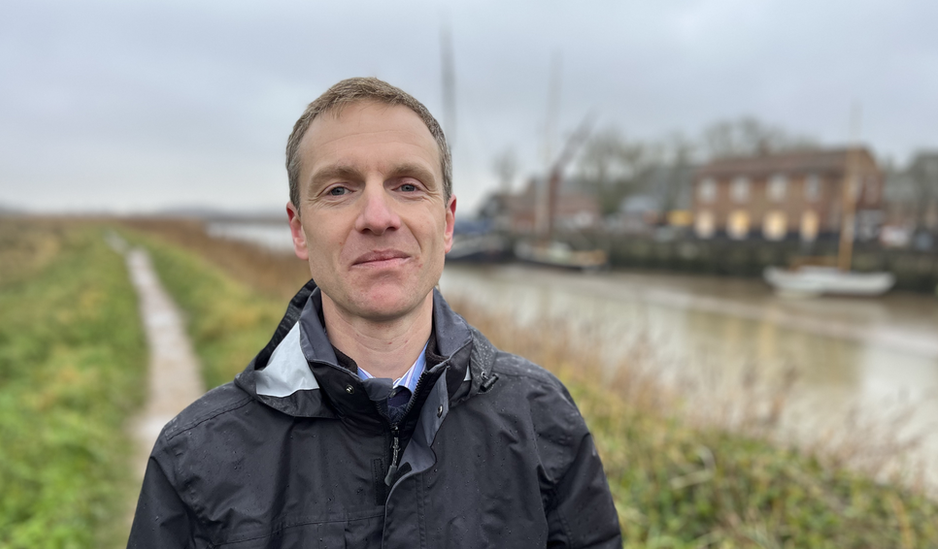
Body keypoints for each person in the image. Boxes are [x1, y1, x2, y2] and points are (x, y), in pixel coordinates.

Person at [128, 77, 622, 548]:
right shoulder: (194, 457)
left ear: (446, 223)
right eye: (339, 189)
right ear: (298, 229)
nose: (378, 217)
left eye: (407, 186)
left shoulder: (542, 420)